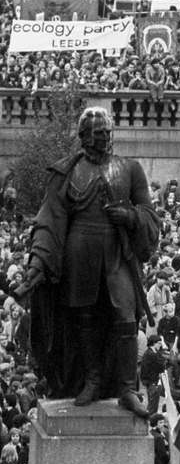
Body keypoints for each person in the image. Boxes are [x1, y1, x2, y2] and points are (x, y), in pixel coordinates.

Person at [15, 107, 160, 416]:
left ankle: (127, 388)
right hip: (78, 253)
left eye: (108, 132)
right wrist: (36, 265)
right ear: (83, 136)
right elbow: (49, 221)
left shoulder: (130, 168)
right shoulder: (66, 172)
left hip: (116, 253)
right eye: (98, 133)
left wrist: (130, 216)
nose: (105, 138)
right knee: (85, 318)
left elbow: (149, 214)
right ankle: (92, 378)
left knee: (125, 317)